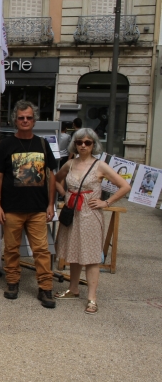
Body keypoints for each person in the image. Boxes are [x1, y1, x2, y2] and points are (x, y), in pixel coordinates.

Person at [54, 128, 130, 314]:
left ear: (94, 144)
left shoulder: (100, 165)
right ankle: (73, 289)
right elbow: (56, 180)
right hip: (73, 212)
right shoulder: (70, 163)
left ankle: (92, 298)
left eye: (87, 142)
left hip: (90, 214)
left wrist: (106, 202)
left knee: (91, 256)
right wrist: (65, 194)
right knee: (74, 252)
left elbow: (125, 186)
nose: (83, 145)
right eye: (79, 142)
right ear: (75, 144)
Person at [0, 100, 57, 309]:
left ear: (34, 120)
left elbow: (52, 176)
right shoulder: (6, 144)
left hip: (38, 208)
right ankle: (12, 282)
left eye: (29, 117)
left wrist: (51, 205)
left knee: (41, 250)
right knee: (11, 249)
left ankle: (45, 287)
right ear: (15, 120)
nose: (25, 121)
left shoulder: (43, 144)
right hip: (12, 208)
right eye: (21, 118)